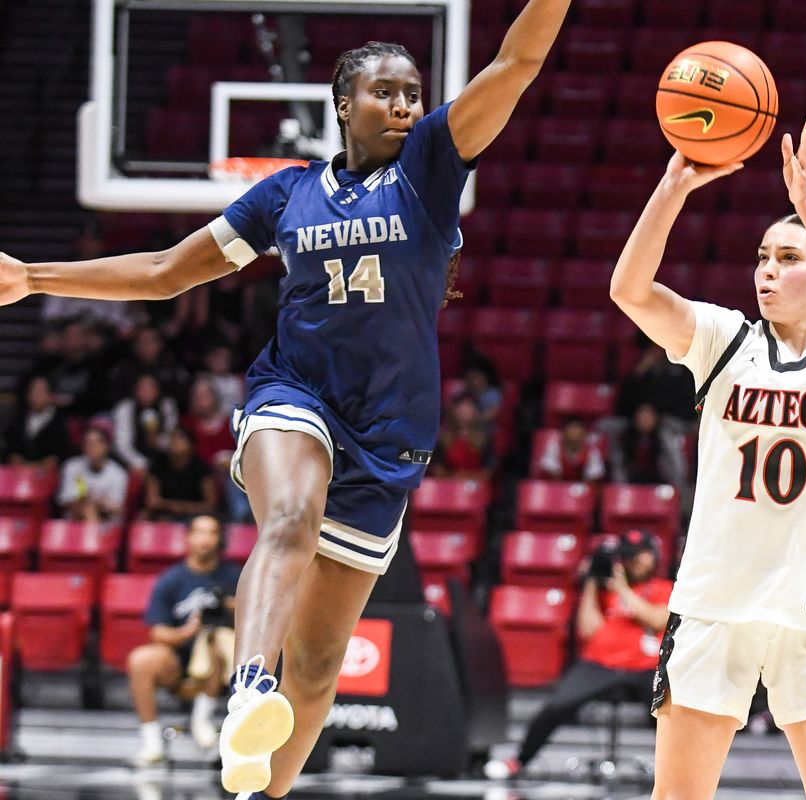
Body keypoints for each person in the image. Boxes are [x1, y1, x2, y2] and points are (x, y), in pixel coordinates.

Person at [0, 4, 570, 795]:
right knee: (291, 517)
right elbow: (170, 272)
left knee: (319, 666)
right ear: (342, 104)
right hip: (295, 394)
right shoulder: (285, 195)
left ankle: (258, 779)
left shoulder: (430, 168)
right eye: (384, 92)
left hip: (390, 434)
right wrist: (33, 277)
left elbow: (515, 65)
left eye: (413, 93)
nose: (405, 105)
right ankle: (246, 688)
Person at [608, 112, 806, 799]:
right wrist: (673, 188)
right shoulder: (724, 341)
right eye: (762, 258)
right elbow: (629, 291)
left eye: (789, 259)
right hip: (715, 602)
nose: (768, 271)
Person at [484, 529, 672, 779]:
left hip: (645, 668)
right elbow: (588, 630)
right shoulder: (605, 591)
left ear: (654, 557)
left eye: (642, 555)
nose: (636, 561)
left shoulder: (663, 588)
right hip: (599, 664)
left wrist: (623, 590)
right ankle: (519, 761)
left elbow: (659, 620)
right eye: (630, 556)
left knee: (671, 715)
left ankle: (677, 777)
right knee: (555, 706)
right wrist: (593, 583)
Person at [129, 515, 241, 767]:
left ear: (220, 539)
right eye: (199, 532)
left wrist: (231, 607)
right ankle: (151, 742)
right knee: (141, 659)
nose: (205, 539)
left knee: (215, 640)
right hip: (182, 656)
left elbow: (255, 620)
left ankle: (201, 719)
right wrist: (187, 632)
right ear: (188, 538)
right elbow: (157, 632)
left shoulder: (235, 576)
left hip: (226, 658)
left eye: (211, 532)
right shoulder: (172, 579)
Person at [143, 428, 220, 522]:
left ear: (191, 445)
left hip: (196, 515)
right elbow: (153, 501)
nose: (174, 442)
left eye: (180, 438)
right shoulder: (158, 465)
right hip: (164, 515)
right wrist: (171, 506)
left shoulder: (202, 468)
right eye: (172, 438)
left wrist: (181, 507)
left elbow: (211, 505)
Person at [57, 427, 128, 522]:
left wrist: (96, 503)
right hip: (74, 519)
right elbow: (66, 501)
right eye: (87, 443)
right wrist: (89, 502)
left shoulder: (118, 473)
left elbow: (116, 508)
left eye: (96, 443)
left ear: (106, 446)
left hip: (106, 521)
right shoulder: (72, 466)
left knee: (90, 510)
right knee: (87, 509)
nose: (91, 447)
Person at [609, 402, 686, 488]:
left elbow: (675, 462)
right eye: (641, 417)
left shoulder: (663, 437)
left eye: (648, 417)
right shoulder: (626, 437)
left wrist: (676, 485)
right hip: (631, 482)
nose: (644, 420)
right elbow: (619, 464)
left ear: (655, 418)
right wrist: (621, 486)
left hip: (660, 481)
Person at [113, 373, 179, 473]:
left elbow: (172, 437)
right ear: (135, 391)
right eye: (142, 388)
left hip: (165, 458)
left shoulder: (167, 406)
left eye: (151, 387)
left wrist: (158, 441)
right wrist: (142, 464)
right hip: (133, 462)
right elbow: (122, 445)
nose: (147, 392)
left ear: (158, 390)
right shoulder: (125, 408)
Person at [1, 375, 72, 468]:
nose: (36, 394)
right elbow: (8, 446)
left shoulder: (61, 422)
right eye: (33, 390)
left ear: (51, 396)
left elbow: (63, 453)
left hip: (49, 475)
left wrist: (50, 462)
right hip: (17, 473)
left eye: (41, 390)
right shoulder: (16, 419)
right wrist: (12, 457)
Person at [537, 416, 605, 482]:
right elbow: (551, 471)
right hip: (557, 487)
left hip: (583, 489)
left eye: (578, 432)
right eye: (571, 431)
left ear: (584, 434)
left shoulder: (592, 450)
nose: (574, 435)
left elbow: (594, 475)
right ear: (563, 433)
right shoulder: (554, 447)